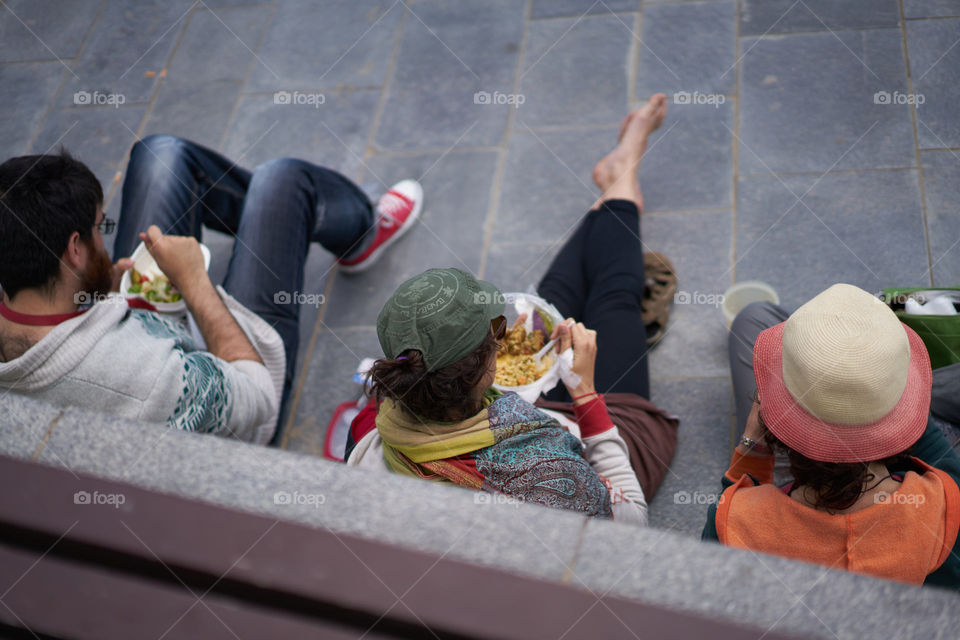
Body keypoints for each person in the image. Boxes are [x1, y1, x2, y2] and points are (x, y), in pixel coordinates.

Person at [345, 95, 680, 524]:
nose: (504, 333)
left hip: (528, 409)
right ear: (490, 367)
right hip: (595, 434)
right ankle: (621, 176)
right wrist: (586, 394)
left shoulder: (371, 430)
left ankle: (618, 184)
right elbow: (628, 521)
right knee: (615, 299)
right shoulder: (543, 466)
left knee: (553, 298)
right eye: (496, 332)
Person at [0, 136, 422, 445]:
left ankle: (276, 226)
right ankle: (359, 233)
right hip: (238, 386)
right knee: (284, 180)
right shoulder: (144, 381)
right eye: (97, 229)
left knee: (159, 154)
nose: (103, 241)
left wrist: (94, 294)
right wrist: (195, 282)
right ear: (75, 250)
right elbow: (257, 397)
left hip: (145, 327)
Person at [703, 284, 960, 589]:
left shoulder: (736, 521)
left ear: (772, 423)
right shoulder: (940, 506)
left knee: (752, 315)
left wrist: (752, 447)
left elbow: (725, 515)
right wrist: (894, 401)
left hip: (792, 487)